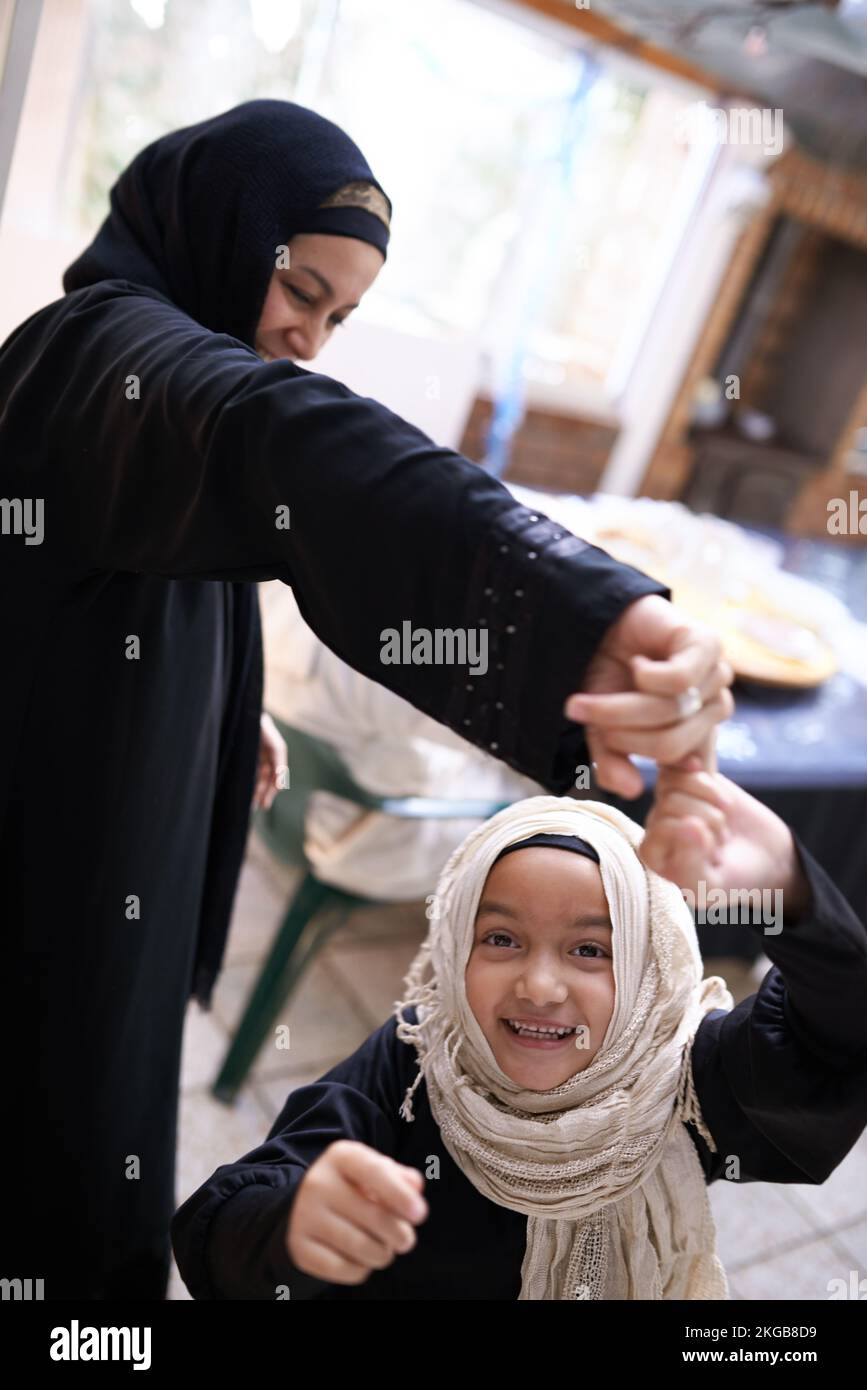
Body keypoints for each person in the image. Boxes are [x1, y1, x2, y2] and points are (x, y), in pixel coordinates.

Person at [0, 99, 731, 1300]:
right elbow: (276, 441)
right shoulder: (100, 352)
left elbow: (149, 573)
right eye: (300, 287)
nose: (308, 337)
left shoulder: (150, 367)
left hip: (127, 829)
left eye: (340, 318)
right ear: (217, 228)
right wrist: (574, 614)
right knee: (53, 1163)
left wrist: (234, 708)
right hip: (57, 883)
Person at [171, 764, 867, 1300]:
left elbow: (829, 1038)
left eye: (590, 950)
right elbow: (228, 1218)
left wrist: (794, 898)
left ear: (649, 972)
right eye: (500, 938)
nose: (538, 985)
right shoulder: (414, 1062)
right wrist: (294, 1222)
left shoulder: (679, 1073)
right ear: (452, 948)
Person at [257, 580, 542, 899]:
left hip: (283, 821)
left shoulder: (280, 591)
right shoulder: (379, 651)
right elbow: (497, 736)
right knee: (544, 784)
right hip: (375, 841)